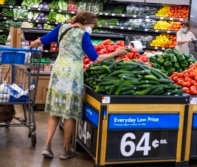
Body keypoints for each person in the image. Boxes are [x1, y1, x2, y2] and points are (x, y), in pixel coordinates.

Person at [29, 11, 128, 160]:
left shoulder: (62, 28)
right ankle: (66, 150)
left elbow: (41, 41)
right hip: (72, 74)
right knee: (70, 114)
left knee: (55, 112)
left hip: (58, 71)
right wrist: (116, 53)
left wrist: (32, 45)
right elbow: (96, 58)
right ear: (87, 23)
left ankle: (47, 147)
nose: (91, 28)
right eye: (92, 25)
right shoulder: (83, 35)